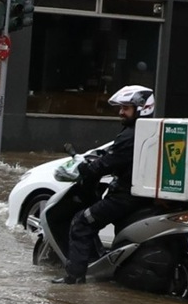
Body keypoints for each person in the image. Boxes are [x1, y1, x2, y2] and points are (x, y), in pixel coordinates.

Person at [52, 85, 156, 285]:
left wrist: (85, 169)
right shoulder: (150, 131)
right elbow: (115, 157)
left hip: (125, 196)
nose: (121, 112)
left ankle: (75, 278)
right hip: (142, 197)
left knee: (81, 223)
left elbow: (108, 163)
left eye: (126, 108)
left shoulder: (131, 135)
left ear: (142, 108)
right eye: (121, 108)